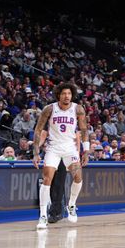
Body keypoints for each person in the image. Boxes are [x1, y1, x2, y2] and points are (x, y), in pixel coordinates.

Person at [32, 82, 89, 230]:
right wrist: (36, 152)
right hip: (53, 148)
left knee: (78, 177)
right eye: (64, 93)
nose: (67, 96)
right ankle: (43, 216)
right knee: (47, 179)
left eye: (69, 93)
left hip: (70, 148)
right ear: (59, 95)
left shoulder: (78, 109)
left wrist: (86, 151)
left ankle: (71, 204)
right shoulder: (49, 109)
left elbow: (84, 130)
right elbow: (38, 130)